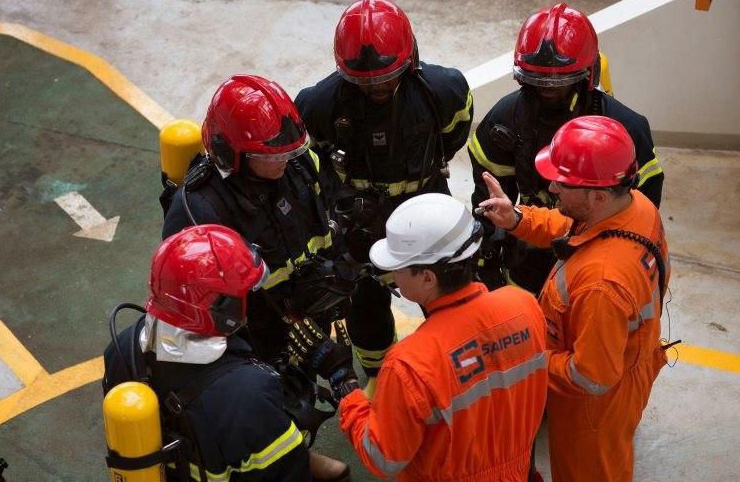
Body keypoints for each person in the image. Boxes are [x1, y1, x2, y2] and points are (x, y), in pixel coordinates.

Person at [160, 76, 352, 480]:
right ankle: (290, 459)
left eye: (289, 150)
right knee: (267, 398)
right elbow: (203, 296)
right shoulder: (198, 208)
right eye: (271, 155)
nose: (285, 160)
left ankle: (298, 449)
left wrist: (337, 274)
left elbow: (327, 218)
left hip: (301, 309)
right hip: (244, 327)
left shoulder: (299, 164)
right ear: (233, 154)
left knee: (300, 383)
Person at [289, 193, 548, 481]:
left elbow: (382, 456)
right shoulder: (523, 305)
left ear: (428, 277)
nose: (392, 273)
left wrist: (346, 385)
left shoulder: (410, 364)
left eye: (398, 265)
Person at [478, 116, 670, 481]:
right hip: (633, 361)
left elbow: (592, 375)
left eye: (562, 183)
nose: (551, 187)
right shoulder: (633, 206)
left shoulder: (602, 283)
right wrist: (518, 218)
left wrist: (527, 358)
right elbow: (574, 227)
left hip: (593, 410)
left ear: (596, 195)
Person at [295, 0, 474, 378]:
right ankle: (379, 375)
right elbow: (310, 167)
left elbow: (453, 137)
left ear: (409, 60)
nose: (376, 86)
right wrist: (345, 207)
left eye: (385, 77)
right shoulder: (318, 106)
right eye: (364, 81)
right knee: (366, 303)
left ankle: (456, 370)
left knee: (447, 295)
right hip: (356, 223)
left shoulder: (444, 92)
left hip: (425, 209)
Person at [468, 2, 664, 294]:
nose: (546, 89)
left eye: (559, 82)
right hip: (528, 251)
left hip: (596, 250)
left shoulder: (626, 129)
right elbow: (491, 199)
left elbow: (639, 207)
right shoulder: (505, 121)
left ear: (588, 74)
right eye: (537, 80)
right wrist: (487, 261)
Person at [103, 225, 318, 481]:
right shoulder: (249, 394)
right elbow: (288, 474)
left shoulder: (122, 348)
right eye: (242, 295)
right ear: (220, 309)